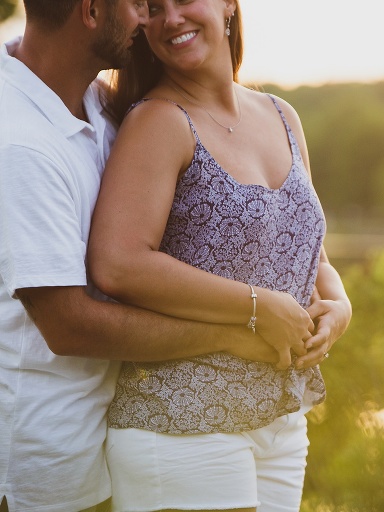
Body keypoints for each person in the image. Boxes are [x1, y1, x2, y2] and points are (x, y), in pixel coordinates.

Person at [0, 1, 313, 510]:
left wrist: (334, 302)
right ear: (91, 10)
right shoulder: (20, 143)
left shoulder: (96, 103)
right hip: (40, 464)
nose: (151, 20)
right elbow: (68, 324)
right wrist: (237, 332)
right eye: (140, 3)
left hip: (97, 443)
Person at [85, 0, 352, 510]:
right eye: (154, 8)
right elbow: (118, 263)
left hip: (280, 425)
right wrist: (258, 306)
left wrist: (339, 307)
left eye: (184, 0)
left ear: (228, 5)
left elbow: (311, 255)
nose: (171, 19)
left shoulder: (281, 114)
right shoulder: (159, 122)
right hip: (182, 420)